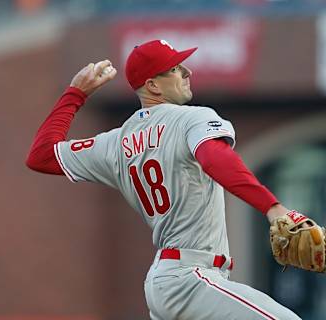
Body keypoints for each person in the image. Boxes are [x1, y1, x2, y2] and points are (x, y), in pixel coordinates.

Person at [26, 39, 301, 319]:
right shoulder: (191, 119)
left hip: (167, 282)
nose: (187, 72)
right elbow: (214, 158)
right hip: (191, 279)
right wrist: (273, 208)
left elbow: (42, 156)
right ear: (153, 86)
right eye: (175, 69)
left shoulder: (115, 142)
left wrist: (76, 94)